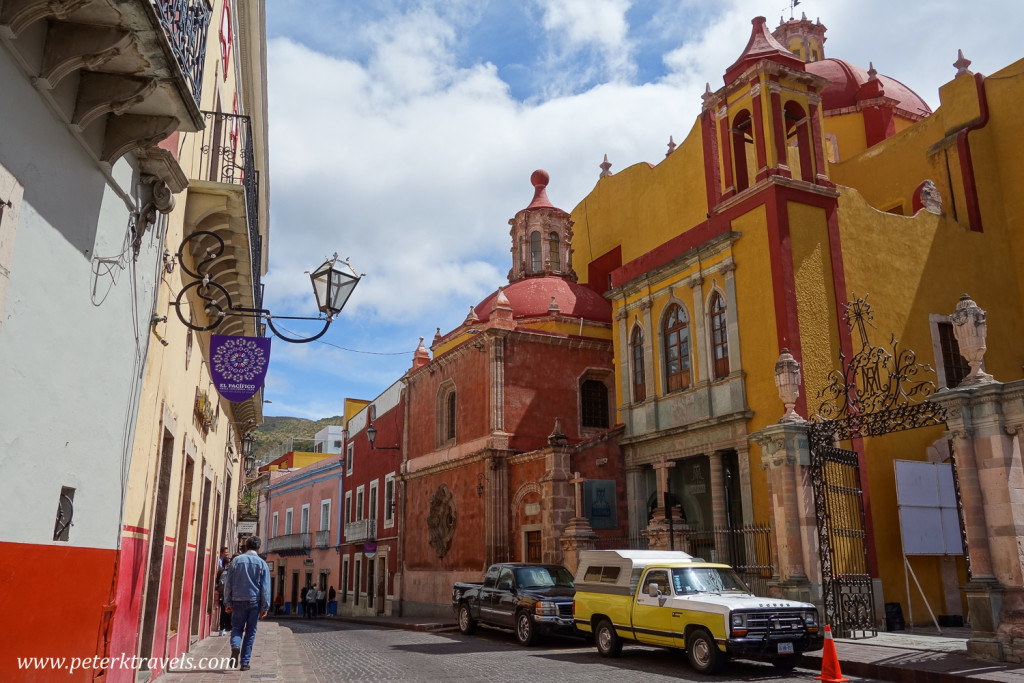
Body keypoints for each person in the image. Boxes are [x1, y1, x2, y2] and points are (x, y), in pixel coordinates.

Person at [224, 536, 270, 672]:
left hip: (238, 600)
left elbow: (228, 584)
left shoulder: (236, 561)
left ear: (246, 546)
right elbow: (265, 588)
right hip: (254, 602)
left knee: (237, 628)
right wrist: (265, 607)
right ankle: (245, 663)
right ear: (258, 548)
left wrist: (227, 602)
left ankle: (235, 646)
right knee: (250, 632)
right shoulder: (262, 564)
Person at [216, 555, 234, 635]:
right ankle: (228, 627)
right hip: (230, 595)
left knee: (222, 612)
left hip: (222, 595)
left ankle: (222, 629)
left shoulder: (220, 571)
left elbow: (217, 583)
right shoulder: (232, 572)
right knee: (230, 612)